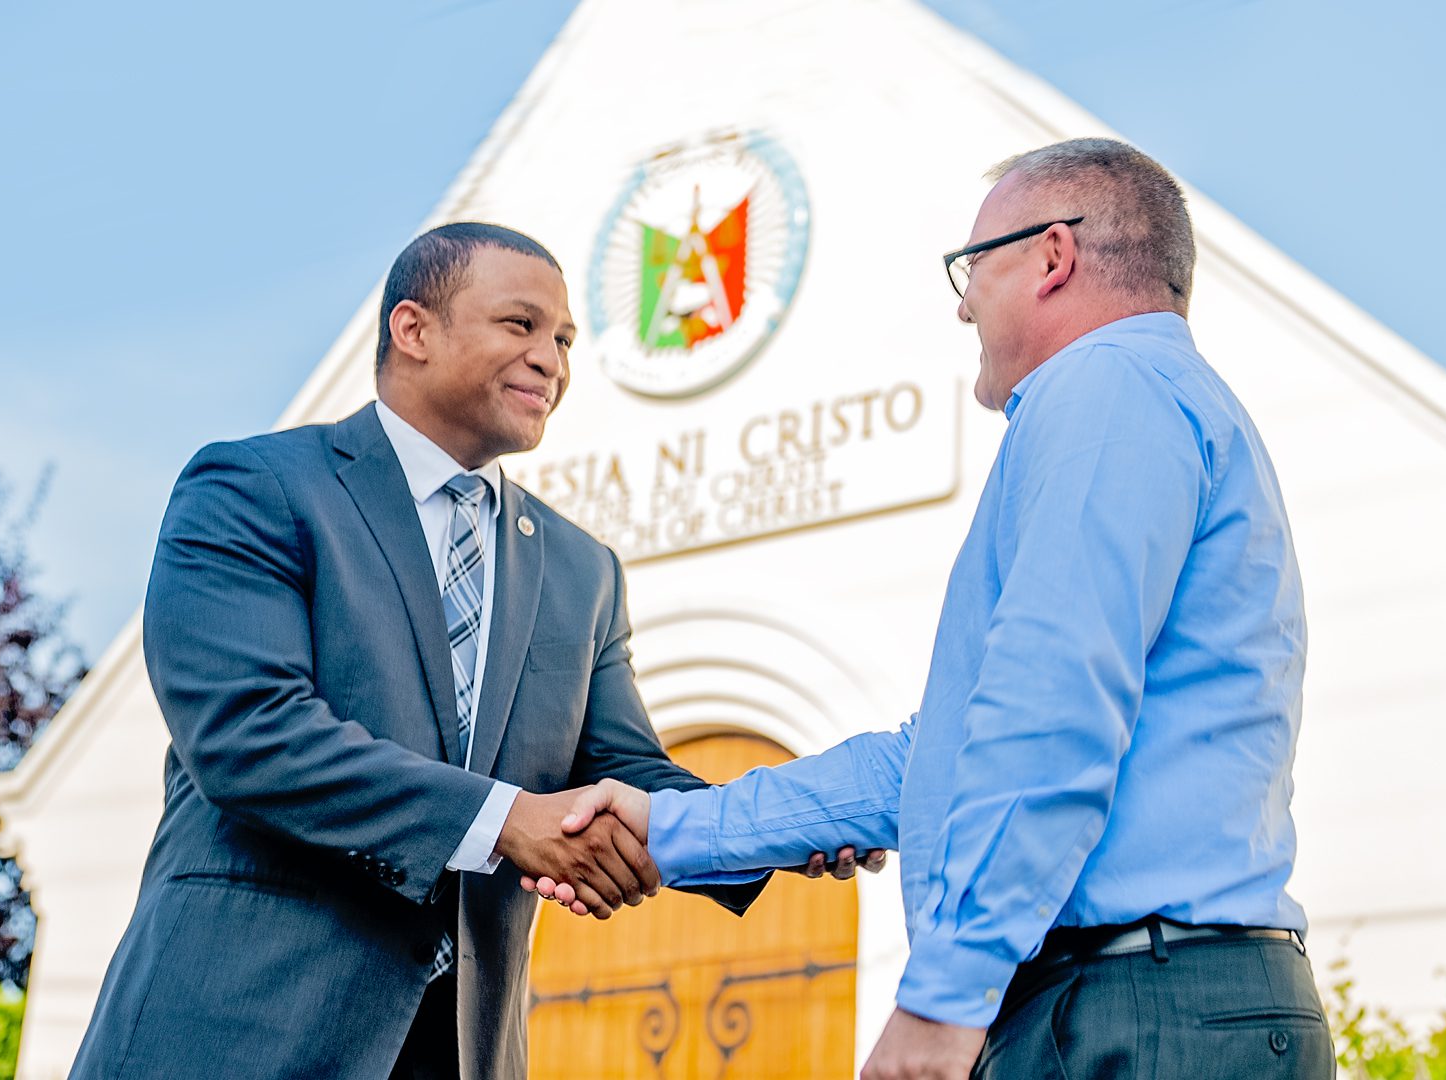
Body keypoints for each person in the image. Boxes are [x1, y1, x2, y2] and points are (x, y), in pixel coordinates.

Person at [541, 139, 1332, 1079]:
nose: (962, 303)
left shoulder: (1105, 388)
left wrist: (944, 998)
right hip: (1144, 1000)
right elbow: (944, 753)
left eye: (972, 267)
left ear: (1052, 256)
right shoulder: (1137, 403)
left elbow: (1050, 709)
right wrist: (670, 828)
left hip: (1136, 1008)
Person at [68, 223, 783, 1080]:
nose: (551, 360)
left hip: (460, 1053)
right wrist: (507, 822)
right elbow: (249, 733)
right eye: (521, 326)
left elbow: (623, 767)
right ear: (414, 330)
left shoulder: (583, 571)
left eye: (562, 340)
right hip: (236, 1032)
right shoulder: (255, 489)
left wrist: (781, 825)